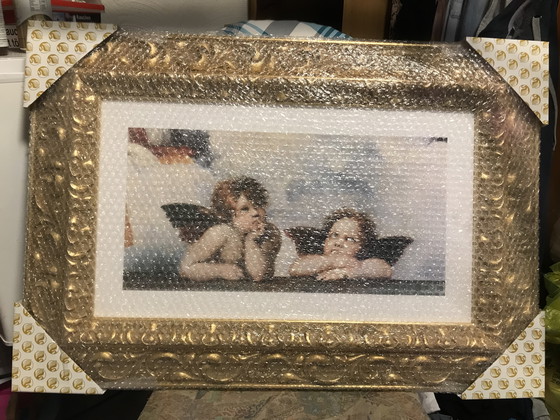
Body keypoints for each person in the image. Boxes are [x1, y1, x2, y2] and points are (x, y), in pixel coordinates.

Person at [179, 176, 281, 282]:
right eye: (245, 209)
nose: (255, 213)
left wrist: (251, 241)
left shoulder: (269, 232)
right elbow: (185, 269)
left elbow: (259, 275)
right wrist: (219, 271)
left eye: (258, 205)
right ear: (230, 215)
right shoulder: (221, 233)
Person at [289, 208, 392, 281]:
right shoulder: (316, 260)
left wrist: (349, 273)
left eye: (350, 239)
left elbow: (384, 269)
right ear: (325, 240)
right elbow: (296, 268)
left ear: (362, 247)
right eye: (334, 235)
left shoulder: (362, 264)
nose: (338, 243)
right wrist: (334, 261)